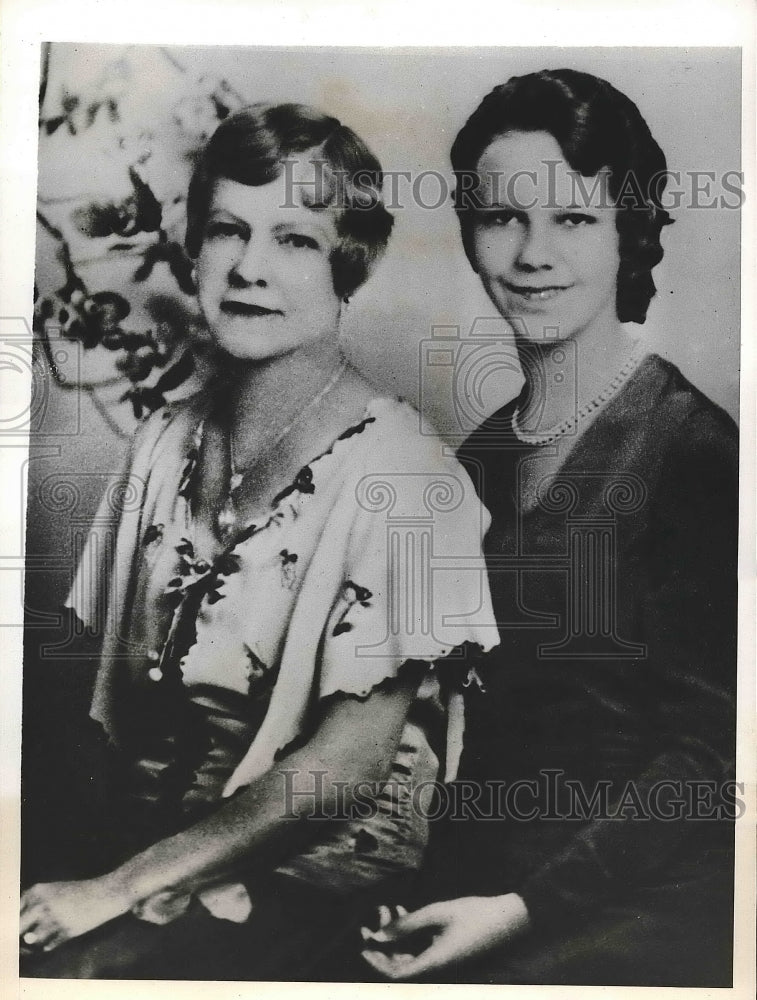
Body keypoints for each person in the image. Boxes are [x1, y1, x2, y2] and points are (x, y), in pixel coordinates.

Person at [20, 102, 499, 980]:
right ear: (192, 251)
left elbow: (341, 775)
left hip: (321, 872)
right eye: (227, 231)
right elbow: (110, 721)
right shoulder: (163, 442)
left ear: (347, 265)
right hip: (161, 838)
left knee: (83, 976)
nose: (248, 268)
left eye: (295, 240)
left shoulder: (408, 475)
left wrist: (116, 888)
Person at [361, 69, 738, 986]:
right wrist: (428, 884)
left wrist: (519, 912)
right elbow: (471, 725)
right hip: (484, 888)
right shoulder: (482, 457)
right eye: (501, 217)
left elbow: (711, 758)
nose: (533, 254)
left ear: (628, 234)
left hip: (641, 901)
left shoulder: (695, 452)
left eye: (572, 219)